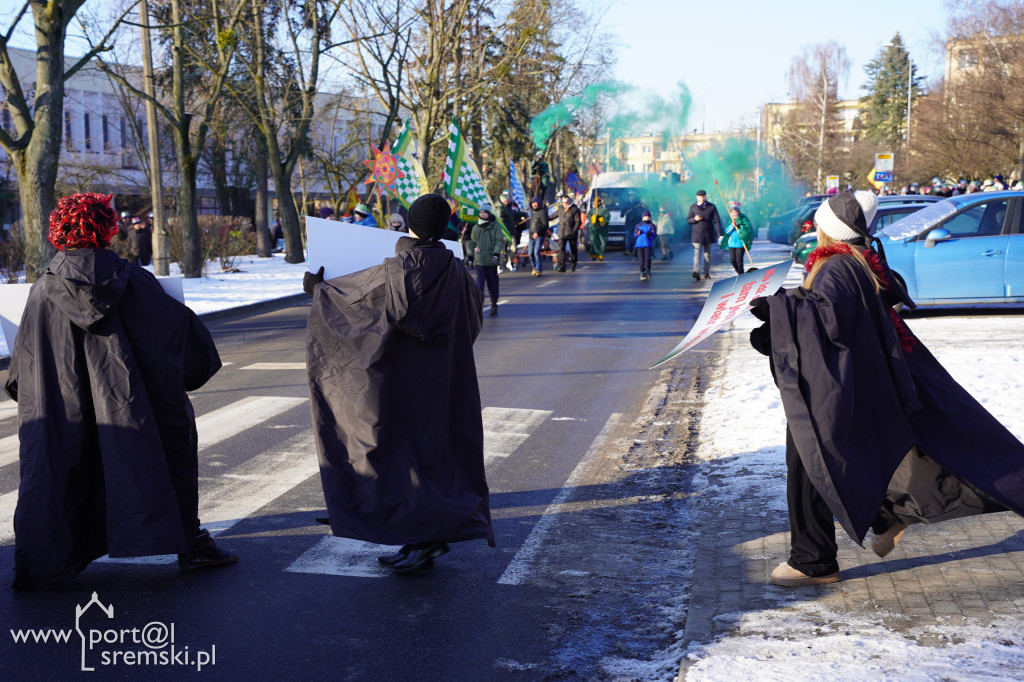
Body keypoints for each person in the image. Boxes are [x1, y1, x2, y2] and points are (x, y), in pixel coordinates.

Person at [749, 190, 1024, 587]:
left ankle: (814, 562)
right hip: (853, 383)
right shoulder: (854, 263)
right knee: (836, 459)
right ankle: (883, 515)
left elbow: (823, 322)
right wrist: (780, 313)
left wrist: (777, 310)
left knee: (811, 464)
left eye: (820, 221)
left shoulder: (837, 267)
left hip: (834, 389)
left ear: (831, 228)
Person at [4, 193, 237, 589]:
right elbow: (183, 345)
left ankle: (44, 560)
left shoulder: (42, 291)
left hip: (65, 408)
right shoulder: (136, 282)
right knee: (167, 453)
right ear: (107, 228)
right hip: (134, 406)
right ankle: (191, 545)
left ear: (59, 230)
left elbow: (25, 365)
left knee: (56, 466)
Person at [303, 193, 495, 573]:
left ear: (409, 224)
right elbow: (472, 323)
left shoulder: (392, 271)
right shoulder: (459, 272)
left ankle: (418, 536)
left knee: (397, 458)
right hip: (442, 383)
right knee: (435, 459)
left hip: (398, 383)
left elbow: (352, 309)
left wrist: (318, 289)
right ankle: (424, 539)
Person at [471, 203, 504, 316]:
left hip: (491, 260)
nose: (483, 214)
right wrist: (470, 255)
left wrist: (496, 253)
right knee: (479, 285)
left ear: (489, 214)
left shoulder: (495, 226)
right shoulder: (476, 228)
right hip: (479, 261)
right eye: (481, 212)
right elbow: (472, 242)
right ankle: (478, 306)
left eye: (485, 212)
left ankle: (494, 304)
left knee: (492, 284)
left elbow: (499, 241)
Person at [686, 189, 722, 280]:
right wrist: (695, 219)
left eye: (703, 197)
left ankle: (706, 273)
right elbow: (688, 220)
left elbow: (717, 220)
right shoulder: (693, 207)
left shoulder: (711, 207)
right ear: (697, 197)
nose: (701, 199)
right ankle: (696, 272)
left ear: (705, 197)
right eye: (699, 197)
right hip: (697, 235)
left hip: (708, 234)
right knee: (697, 253)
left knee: (707, 255)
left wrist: (719, 233)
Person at [722, 206, 754, 274]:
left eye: (735, 212)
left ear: (738, 212)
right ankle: (739, 273)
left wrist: (741, 231)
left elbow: (748, 230)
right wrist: (732, 225)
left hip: (740, 244)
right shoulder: (730, 221)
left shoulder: (743, 219)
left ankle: (741, 275)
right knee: (733, 260)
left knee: (739, 261)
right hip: (732, 244)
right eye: (732, 213)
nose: (733, 214)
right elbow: (727, 232)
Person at [555, 194, 582, 272]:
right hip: (562, 232)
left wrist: (574, 231)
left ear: (569, 201)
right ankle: (562, 266)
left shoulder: (574, 209)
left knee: (573, 249)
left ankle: (573, 265)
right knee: (561, 249)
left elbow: (578, 222)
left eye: (566, 202)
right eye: (563, 202)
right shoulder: (560, 208)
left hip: (571, 233)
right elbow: (554, 215)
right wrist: (545, 217)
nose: (565, 204)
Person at [527, 197, 549, 277]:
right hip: (531, 235)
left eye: (536, 203)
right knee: (530, 253)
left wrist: (537, 232)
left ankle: (538, 269)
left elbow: (545, 225)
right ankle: (534, 268)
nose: (534, 204)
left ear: (539, 203)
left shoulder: (542, 212)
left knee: (536, 252)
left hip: (539, 235)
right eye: (533, 203)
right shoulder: (532, 212)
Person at [634, 210, 657, 281]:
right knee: (641, 259)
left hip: (647, 244)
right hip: (639, 244)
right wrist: (638, 233)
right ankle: (642, 273)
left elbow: (654, 234)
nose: (646, 218)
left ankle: (648, 269)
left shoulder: (652, 225)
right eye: (645, 216)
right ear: (642, 217)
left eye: (647, 216)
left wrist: (650, 234)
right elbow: (635, 235)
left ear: (649, 217)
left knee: (647, 258)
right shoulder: (638, 225)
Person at [588, 195, 610, 261]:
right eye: (595, 201)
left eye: (598, 201)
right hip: (593, 228)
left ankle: (600, 255)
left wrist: (600, 219)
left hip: (602, 229)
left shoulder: (604, 210)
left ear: (600, 202)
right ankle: (594, 255)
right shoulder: (592, 210)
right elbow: (588, 217)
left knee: (602, 242)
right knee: (593, 241)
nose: (597, 203)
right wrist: (593, 218)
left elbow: (607, 218)